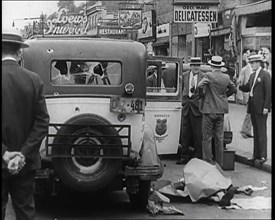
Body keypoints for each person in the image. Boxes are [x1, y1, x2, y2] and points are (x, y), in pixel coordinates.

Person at [2, 28, 50, 220]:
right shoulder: (34, 80)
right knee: (25, 211)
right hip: (26, 163)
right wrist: (22, 154)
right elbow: (42, 122)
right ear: (19, 52)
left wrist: (4, 153)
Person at [197, 55, 236, 167]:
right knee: (219, 138)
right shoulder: (226, 77)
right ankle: (220, 163)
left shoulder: (209, 75)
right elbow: (233, 88)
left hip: (209, 110)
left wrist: (202, 96)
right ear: (220, 66)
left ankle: (208, 162)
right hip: (221, 110)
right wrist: (224, 96)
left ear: (212, 65)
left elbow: (200, 86)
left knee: (207, 137)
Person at [239, 54, 271, 164]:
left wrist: (266, 107)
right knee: (256, 131)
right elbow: (248, 87)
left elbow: (268, 92)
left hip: (261, 107)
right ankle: (256, 154)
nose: (251, 65)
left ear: (258, 63)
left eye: (252, 63)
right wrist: (239, 86)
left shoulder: (265, 75)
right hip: (252, 107)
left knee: (261, 131)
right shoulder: (252, 75)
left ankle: (263, 155)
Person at [177, 57, 205, 164]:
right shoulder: (184, 76)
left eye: (198, 65)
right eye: (194, 65)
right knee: (185, 134)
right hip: (186, 107)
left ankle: (198, 158)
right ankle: (184, 156)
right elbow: (180, 90)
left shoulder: (203, 76)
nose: (196, 67)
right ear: (190, 66)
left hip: (197, 108)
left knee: (198, 134)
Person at [237, 57, 254, 138]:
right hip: (248, 94)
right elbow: (240, 81)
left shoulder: (254, 69)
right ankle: (245, 130)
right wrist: (240, 95)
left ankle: (247, 130)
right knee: (249, 113)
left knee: (250, 113)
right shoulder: (245, 69)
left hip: (253, 95)